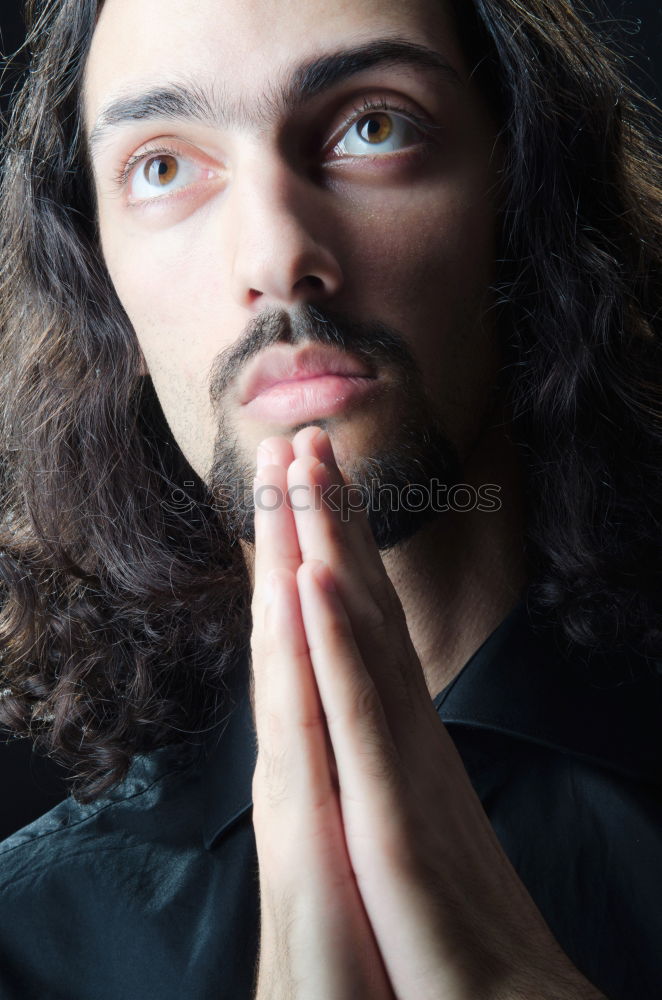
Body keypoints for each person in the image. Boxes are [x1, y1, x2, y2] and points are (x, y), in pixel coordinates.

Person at [0, 0, 660, 996]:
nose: (274, 256)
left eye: (371, 125)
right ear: (103, 284)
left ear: (518, 192)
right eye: (164, 166)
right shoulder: (28, 944)